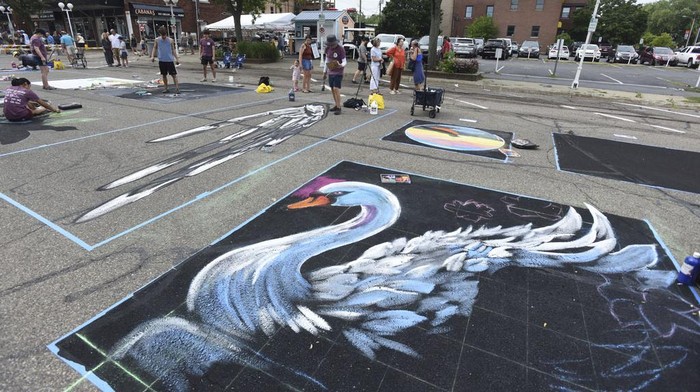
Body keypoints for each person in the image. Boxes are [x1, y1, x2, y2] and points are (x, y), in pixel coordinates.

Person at [151, 26, 180, 94]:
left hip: (169, 60)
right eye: (162, 35)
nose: (163, 37)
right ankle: (166, 88)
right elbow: (154, 48)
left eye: (164, 35)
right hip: (162, 60)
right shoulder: (157, 40)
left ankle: (177, 88)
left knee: (173, 75)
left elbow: (173, 50)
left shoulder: (170, 40)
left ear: (166, 34)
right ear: (160, 34)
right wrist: (152, 56)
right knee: (164, 75)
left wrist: (177, 59)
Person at [323, 35, 346, 115]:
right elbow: (327, 60)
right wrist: (324, 71)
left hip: (338, 72)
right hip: (331, 71)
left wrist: (341, 65)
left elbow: (344, 61)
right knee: (332, 89)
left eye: (332, 44)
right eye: (330, 45)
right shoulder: (327, 49)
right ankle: (336, 104)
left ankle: (339, 107)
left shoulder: (340, 49)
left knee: (336, 88)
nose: (331, 46)